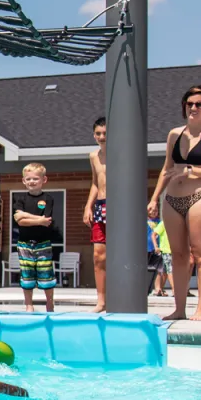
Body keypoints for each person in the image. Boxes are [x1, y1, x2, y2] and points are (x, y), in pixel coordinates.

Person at [149, 85, 201, 321]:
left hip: (200, 198)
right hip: (172, 200)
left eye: (199, 104)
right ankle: (179, 309)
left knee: (200, 254)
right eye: (189, 103)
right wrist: (154, 197)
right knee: (178, 255)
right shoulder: (174, 134)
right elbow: (167, 169)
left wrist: (191, 172)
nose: (193, 108)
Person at [13, 163, 56, 312]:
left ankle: (50, 304)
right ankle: (28, 305)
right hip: (24, 244)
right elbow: (20, 221)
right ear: (24, 181)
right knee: (27, 275)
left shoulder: (48, 199)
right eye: (28, 179)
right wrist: (39, 220)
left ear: (44, 180)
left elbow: (47, 220)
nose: (32, 181)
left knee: (46, 275)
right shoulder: (20, 199)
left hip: (43, 243)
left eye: (35, 179)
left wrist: (25, 215)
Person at [82, 117, 109, 312]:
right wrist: (87, 206)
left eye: (105, 133)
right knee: (99, 256)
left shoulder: (122, 154)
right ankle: (101, 300)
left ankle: (121, 295)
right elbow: (95, 182)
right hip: (101, 205)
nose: (101, 137)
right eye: (98, 133)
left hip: (120, 207)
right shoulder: (93, 156)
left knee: (120, 255)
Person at [150, 216, 172, 296]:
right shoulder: (164, 223)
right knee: (169, 271)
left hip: (174, 251)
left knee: (165, 272)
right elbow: (153, 235)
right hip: (165, 251)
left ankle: (160, 289)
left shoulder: (176, 224)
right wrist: (156, 246)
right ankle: (175, 291)